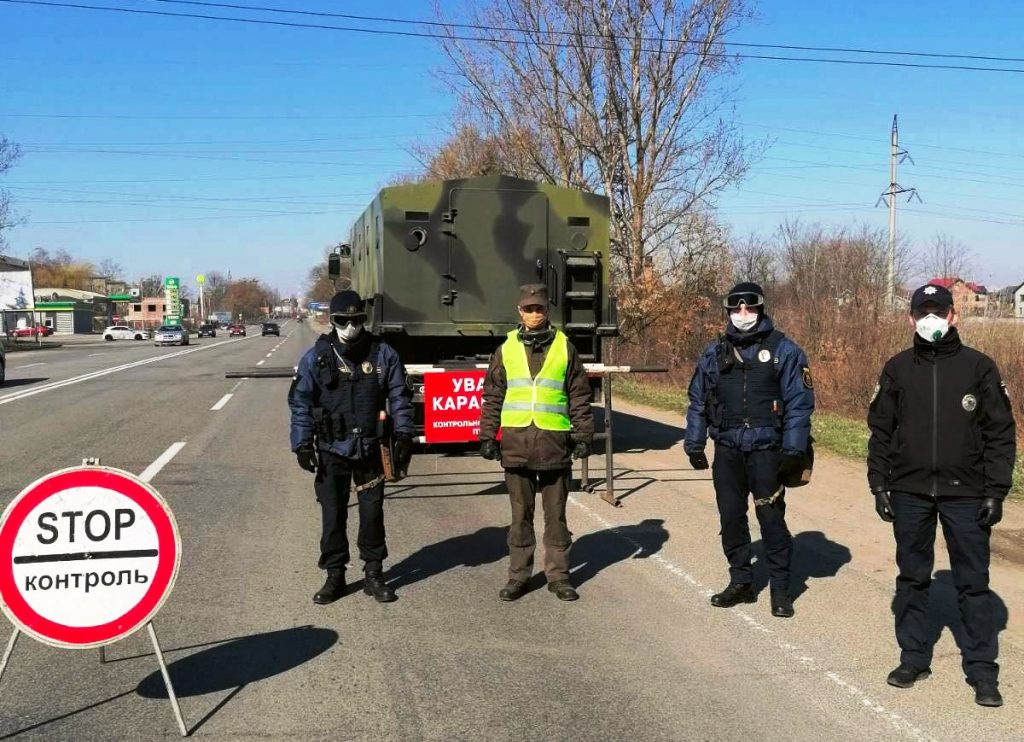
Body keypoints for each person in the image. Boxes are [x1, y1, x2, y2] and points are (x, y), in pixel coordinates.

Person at [867, 283, 1016, 707]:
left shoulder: (979, 367)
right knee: (912, 578)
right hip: (910, 489)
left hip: (967, 493)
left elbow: (1000, 433)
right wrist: (879, 483)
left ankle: (983, 671)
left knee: (973, 582)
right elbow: (880, 431)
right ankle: (914, 657)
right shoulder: (897, 368)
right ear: (910, 318)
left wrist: (996, 490)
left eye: (939, 310)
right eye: (923, 311)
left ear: (954, 316)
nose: (931, 317)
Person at [684, 282, 815, 618]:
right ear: (728, 311)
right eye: (736, 307)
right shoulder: (715, 352)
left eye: (750, 307)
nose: (743, 314)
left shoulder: (784, 350)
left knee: (771, 520)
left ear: (760, 308)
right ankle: (741, 582)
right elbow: (699, 399)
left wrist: (794, 449)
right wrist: (695, 443)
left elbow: (799, 403)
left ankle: (781, 590)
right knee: (731, 519)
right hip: (727, 448)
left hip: (766, 451)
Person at [288, 290, 415, 604]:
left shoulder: (384, 353)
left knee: (372, 514)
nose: (350, 326)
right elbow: (301, 403)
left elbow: (400, 397)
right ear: (332, 321)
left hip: (371, 448)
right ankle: (335, 575)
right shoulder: (316, 357)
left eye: (356, 320)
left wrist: (403, 436)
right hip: (332, 449)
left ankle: (374, 572)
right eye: (343, 320)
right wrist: (302, 444)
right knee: (333, 515)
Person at [478, 284, 595, 602]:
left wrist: (583, 436)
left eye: (539, 308)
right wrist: (487, 435)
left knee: (556, 516)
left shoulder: (565, 347)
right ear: (520, 311)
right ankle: (518, 577)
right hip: (516, 445)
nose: (533, 314)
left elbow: (580, 396)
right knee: (520, 515)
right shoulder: (505, 349)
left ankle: (559, 577)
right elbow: (493, 395)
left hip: (554, 444)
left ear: (547, 311)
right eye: (528, 309)